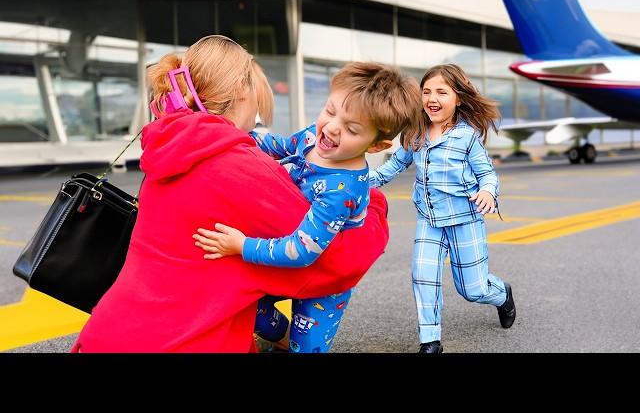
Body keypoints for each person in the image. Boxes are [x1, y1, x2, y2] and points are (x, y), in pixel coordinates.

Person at [70, 35, 391, 353]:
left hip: (106, 335)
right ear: (242, 91)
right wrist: (374, 204)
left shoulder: (173, 147)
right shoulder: (240, 169)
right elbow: (334, 263)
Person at [193, 62, 423, 353]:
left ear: (377, 146)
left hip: (323, 275)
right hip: (285, 247)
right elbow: (274, 145)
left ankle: (295, 343)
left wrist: (242, 246)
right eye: (329, 110)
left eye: (351, 129)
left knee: (307, 347)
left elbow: (301, 251)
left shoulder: (341, 191)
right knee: (247, 310)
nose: (332, 127)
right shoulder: (314, 138)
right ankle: (281, 337)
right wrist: (226, 125)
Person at [368, 63, 516, 354]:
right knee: (422, 275)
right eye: (426, 92)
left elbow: (487, 174)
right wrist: (360, 181)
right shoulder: (415, 133)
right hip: (429, 221)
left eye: (441, 92)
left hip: (465, 221)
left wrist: (487, 191)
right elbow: (394, 165)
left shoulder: (467, 137)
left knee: (473, 290)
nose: (432, 98)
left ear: (458, 98)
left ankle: (502, 294)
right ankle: (430, 341)